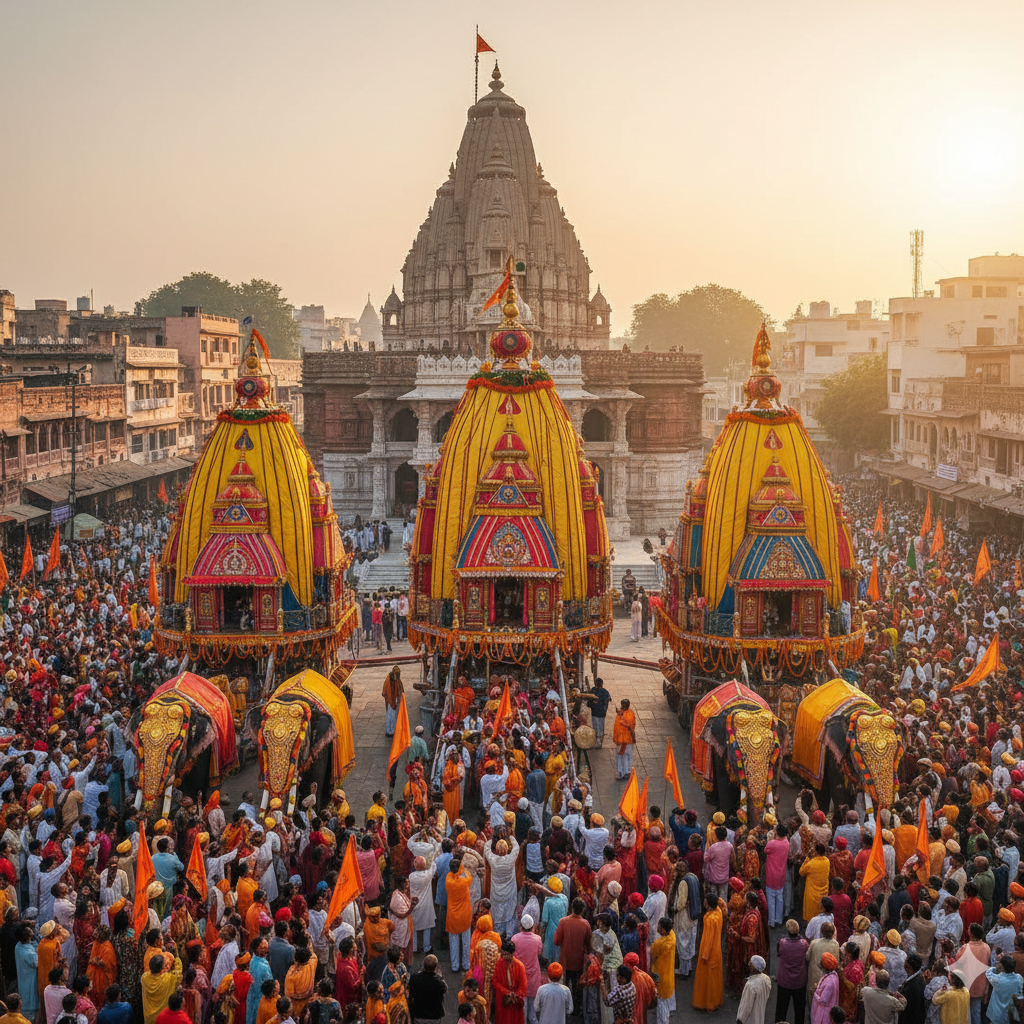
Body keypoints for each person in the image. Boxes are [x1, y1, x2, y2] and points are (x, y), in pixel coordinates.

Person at [692, 895, 724, 1011]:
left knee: (706, 980)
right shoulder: (718, 912)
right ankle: (715, 1001)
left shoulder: (710, 919)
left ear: (708, 904)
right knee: (714, 979)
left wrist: (705, 955)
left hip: (708, 952)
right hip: (716, 950)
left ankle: (706, 1003)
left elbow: (709, 939)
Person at [776, 919, 809, 1024]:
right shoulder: (804, 944)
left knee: (781, 1010)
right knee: (799, 1010)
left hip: (784, 981)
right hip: (800, 981)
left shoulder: (783, 943)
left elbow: (779, 953)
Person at [491, 940, 527, 1024]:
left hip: (515, 1000)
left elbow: (523, 985)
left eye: (506, 954)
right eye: (503, 954)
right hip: (502, 999)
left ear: (511, 954)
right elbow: (495, 981)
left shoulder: (519, 966)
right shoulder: (499, 964)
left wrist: (516, 995)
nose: (504, 957)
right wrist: (506, 992)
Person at [649, 918, 676, 1024]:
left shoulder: (659, 944)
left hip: (660, 975)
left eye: (659, 927)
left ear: (664, 931)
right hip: (668, 974)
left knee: (661, 1003)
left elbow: (653, 957)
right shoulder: (672, 936)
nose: (657, 928)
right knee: (666, 1000)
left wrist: (650, 971)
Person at [407, 954, 447, 1023]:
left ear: (424, 965)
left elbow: (410, 990)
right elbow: (444, 990)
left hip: (418, 1014)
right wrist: (439, 976)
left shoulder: (415, 978)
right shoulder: (439, 982)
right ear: (436, 967)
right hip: (434, 1016)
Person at [985, 955, 1023, 1024]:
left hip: (997, 1015)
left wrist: (996, 968)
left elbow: (988, 973)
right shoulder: (1019, 978)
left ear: (1002, 966)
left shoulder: (997, 979)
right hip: (1012, 1015)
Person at [737, 955, 772, 1024]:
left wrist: (740, 1020)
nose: (748, 964)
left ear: (753, 968)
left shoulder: (750, 985)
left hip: (750, 1020)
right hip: (760, 1017)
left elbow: (746, 1007)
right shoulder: (766, 979)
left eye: (750, 963)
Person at [612, 700, 636, 780]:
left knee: (623, 756)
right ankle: (626, 771)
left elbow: (626, 723)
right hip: (622, 739)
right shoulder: (626, 713)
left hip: (625, 740)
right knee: (624, 756)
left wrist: (620, 714)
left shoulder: (629, 714)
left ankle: (624, 773)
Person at [383, 667, 403, 738]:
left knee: (395, 716)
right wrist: (393, 701)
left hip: (396, 699)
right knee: (391, 717)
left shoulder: (397, 679)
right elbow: (387, 692)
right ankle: (390, 731)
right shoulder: (388, 681)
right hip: (391, 701)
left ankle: (394, 730)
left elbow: (400, 687)